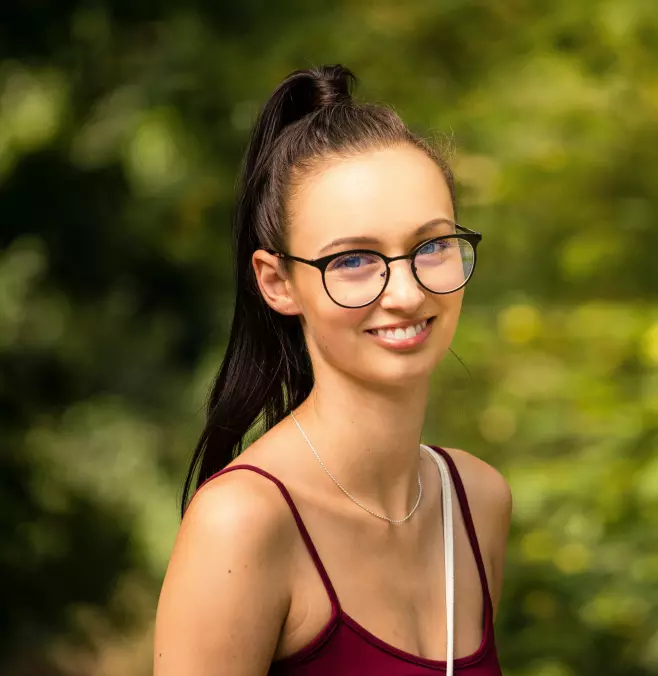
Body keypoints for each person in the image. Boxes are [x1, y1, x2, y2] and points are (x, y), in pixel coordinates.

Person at [153, 64, 512, 675]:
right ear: (276, 282)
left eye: (432, 246)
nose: (404, 292)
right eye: (353, 260)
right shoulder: (242, 524)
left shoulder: (476, 501)